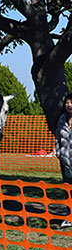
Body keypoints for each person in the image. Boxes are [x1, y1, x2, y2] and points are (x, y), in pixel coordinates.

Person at [55, 94, 72, 228]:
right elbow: (57, 137)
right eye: (67, 102)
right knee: (68, 191)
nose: (69, 105)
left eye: (71, 102)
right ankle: (69, 217)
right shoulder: (62, 119)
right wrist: (58, 152)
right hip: (66, 162)